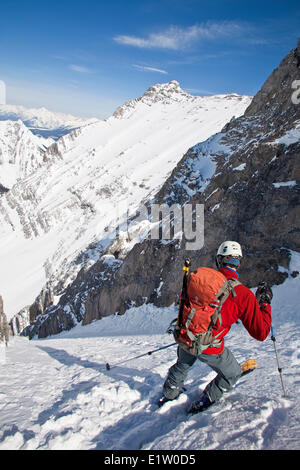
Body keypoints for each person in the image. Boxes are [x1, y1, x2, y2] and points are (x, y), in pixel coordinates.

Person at [159, 241, 273, 413]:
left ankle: (169, 394)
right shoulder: (243, 294)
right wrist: (264, 304)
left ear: (218, 260)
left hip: (187, 334)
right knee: (232, 374)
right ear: (238, 263)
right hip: (209, 345)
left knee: (183, 363)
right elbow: (261, 332)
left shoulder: (201, 281)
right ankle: (205, 400)